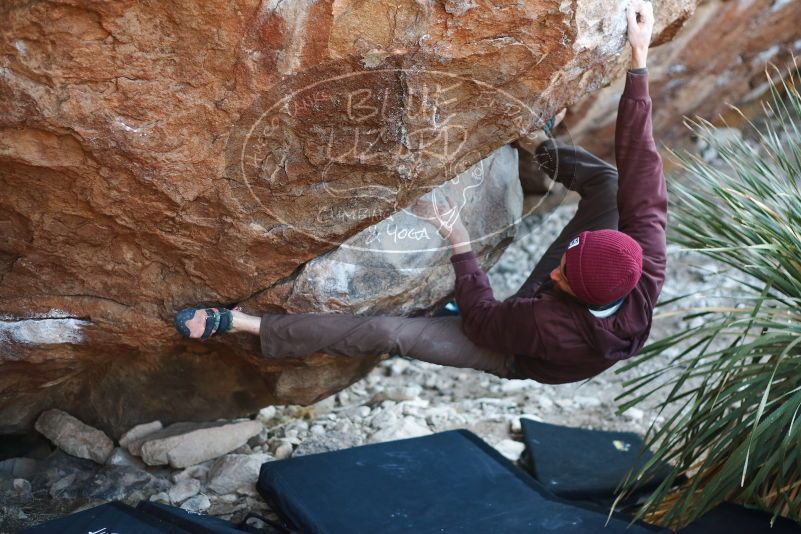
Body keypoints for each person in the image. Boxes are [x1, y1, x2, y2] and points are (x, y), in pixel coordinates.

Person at [174, 0, 666, 384]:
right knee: (614, 185)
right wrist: (638, 61)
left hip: (511, 350)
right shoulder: (645, 259)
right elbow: (643, 163)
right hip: (558, 312)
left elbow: (482, 319)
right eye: (565, 257)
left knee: (393, 333)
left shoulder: (543, 325)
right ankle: (537, 143)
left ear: (570, 291)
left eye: (561, 272)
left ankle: (245, 325)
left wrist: (457, 239)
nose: (552, 265)